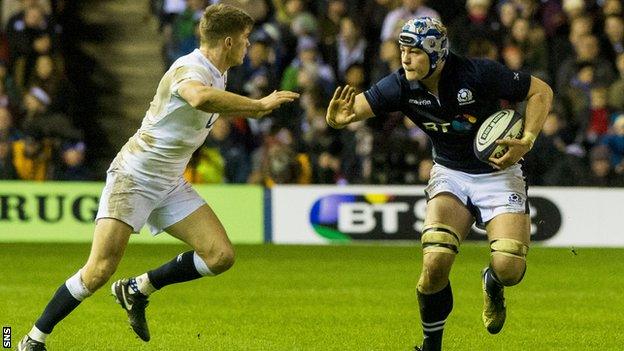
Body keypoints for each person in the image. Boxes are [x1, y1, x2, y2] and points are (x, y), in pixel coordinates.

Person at [18, 4, 299, 351]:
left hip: (168, 182)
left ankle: (137, 289)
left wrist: (256, 108)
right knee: (98, 271)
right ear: (228, 42)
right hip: (133, 176)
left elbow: (213, 102)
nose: (248, 45)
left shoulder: (218, 73)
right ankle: (32, 339)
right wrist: (257, 106)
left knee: (220, 256)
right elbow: (198, 98)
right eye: (244, 39)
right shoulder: (190, 68)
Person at [325, 17, 553, 351]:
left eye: (414, 52)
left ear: (437, 54)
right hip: (450, 173)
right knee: (434, 262)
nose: (405, 59)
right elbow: (352, 111)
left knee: (509, 269)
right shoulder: (400, 84)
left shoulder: (477, 73)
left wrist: (529, 137)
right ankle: (431, 346)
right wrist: (337, 118)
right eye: (403, 50)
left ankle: (492, 282)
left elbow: (540, 91)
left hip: (498, 173)